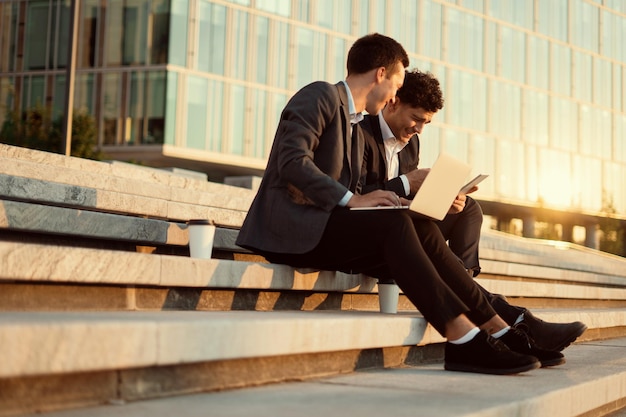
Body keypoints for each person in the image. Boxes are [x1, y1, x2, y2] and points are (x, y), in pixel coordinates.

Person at [237, 33, 560, 375]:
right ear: (381, 74)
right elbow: (292, 163)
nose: (395, 94)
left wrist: (383, 200)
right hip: (292, 227)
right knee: (395, 224)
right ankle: (463, 338)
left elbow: (355, 188)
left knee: (416, 223)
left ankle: (497, 328)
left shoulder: (355, 121)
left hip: (326, 226)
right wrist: (354, 199)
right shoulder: (320, 95)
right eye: (397, 83)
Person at [358, 68, 587, 352]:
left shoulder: (411, 142)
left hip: (404, 222)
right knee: (421, 230)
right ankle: (512, 317)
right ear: (393, 102)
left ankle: (464, 287)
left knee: (468, 209)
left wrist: (441, 200)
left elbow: (410, 199)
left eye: (426, 123)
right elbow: (355, 196)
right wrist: (405, 183)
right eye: (416, 118)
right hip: (377, 231)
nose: (419, 129)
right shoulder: (360, 130)